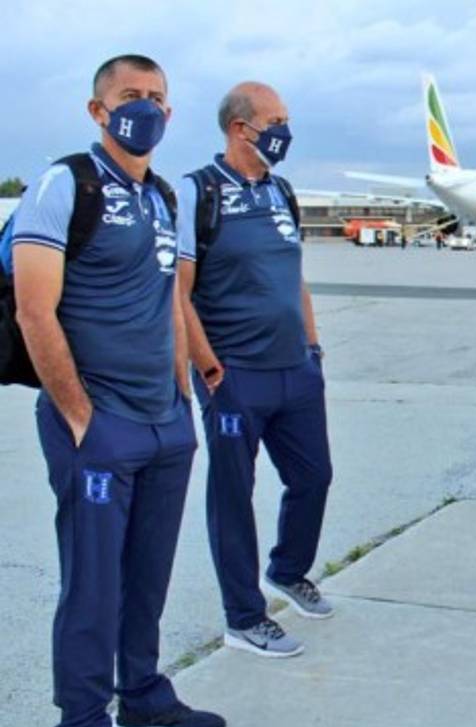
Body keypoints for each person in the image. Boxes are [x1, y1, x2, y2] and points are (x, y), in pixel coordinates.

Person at [12, 54, 224, 727]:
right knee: (93, 588)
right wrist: (77, 414)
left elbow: (170, 301)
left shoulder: (162, 194)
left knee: (147, 577)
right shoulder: (66, 183)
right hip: (97, 422)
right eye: (131, 97)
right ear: (97, 110)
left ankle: (142, 696)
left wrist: (180, 400)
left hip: (163, 423)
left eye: (159, 98)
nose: (148, 109)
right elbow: (35, 309)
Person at [176, 82, 332, 659]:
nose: (284, 130)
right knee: (233, 496)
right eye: (276, 120)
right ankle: (244, 616)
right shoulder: (198, 193)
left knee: (314, 477)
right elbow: (179, 290)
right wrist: (209, 367)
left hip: (295, 369)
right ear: (241, 127)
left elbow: (296, 277)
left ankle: (287, 570)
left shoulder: (280, 191)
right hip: (235, 373)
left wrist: (313, 349)